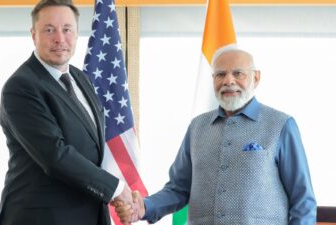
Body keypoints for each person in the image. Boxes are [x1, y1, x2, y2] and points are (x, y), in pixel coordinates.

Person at [114, 46, 317, 224]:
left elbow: (303, 201)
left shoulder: (281, 125)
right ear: (213, 80)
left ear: (256, 78)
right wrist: (145, 207)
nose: (229, 81)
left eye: (238, 73)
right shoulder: (197, 127)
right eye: (220, 74)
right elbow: (178, 189)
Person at [0, 0, 137, 224]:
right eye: (49, 30)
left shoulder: (81, 79)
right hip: (42, 218)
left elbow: (94, 150)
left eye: (67, 29)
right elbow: (55, 155)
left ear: (77, 34)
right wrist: (115, 189)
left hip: (88, 214)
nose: (59, 39)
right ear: (34, 35)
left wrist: (124, 191)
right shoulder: (21, 87)